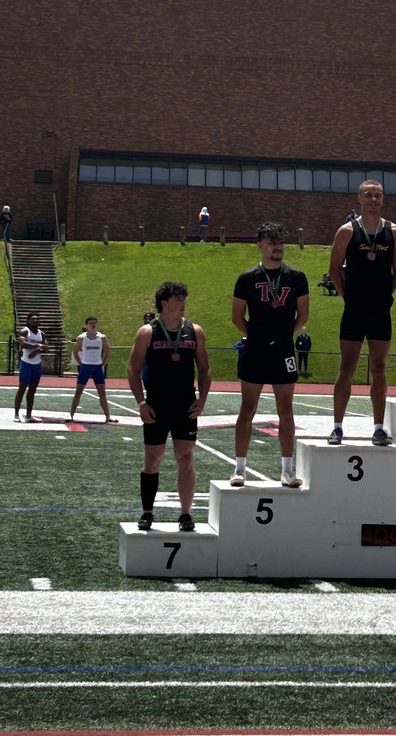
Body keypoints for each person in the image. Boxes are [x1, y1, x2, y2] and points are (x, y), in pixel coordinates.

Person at [127, 281, 211, 531]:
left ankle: (185, 514)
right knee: (153, 458)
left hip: (185, 402)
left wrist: (203, 398)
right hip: (156, 402)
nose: (182, 304)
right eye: (177, 299)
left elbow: (205, 368)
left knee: (185, 457)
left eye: (184, 299)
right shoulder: (147, 332)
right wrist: (141, 402)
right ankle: (147, 512)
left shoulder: (194, 331)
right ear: (164, 303)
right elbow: (132, 369)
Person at [231, 222, 309, 488]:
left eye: (280, 242)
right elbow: (237, 317)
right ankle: (239, 468)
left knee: (285, 411)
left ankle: (287, 470)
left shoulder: (297, 277)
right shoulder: (247, 278)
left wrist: (285, 334)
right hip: (255, 350)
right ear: (260, 245)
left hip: (283, 350)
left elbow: (303, 315)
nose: (278, 247)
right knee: (247, 409)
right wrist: (256, 335)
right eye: (272, 242)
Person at [327, 179, 396, 446]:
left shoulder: (394, 231)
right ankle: (337, 427)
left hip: (380, 308)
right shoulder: (347, 231)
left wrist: (387, 293)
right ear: (359, 199)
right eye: (368, 195)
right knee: (347, 367)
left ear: (383, 200)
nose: (373, 200)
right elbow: (334, 270)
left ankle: (379, 427)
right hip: (354, 308)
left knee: (379, 366)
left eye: (378, 195)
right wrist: (346, 295)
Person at [68, 316, 118, 423]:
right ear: (86, 325)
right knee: (78, 392)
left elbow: (107, 352)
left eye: (94, 323)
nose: (93, 325)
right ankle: (71, 415)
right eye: (91, 323)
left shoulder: (102, 337)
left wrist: (102, 364)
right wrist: (81, 363)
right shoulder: (82, 337)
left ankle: (108, 416)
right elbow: (75, 351)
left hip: (97, 367)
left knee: (102, 393)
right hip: (85, 366)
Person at [14, 312, 46, 423]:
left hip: (36, 364)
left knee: (32, 390)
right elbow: (23, 344)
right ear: (28, 321)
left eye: (37, 319)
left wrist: (37, 350)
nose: (35, 321)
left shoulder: (41, 333)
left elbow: (46, 348)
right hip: (26, 363)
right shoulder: (25, 331)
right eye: (33, 319)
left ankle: (29, 415)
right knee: (22, 388)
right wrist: (38, 346)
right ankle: (16, 414)